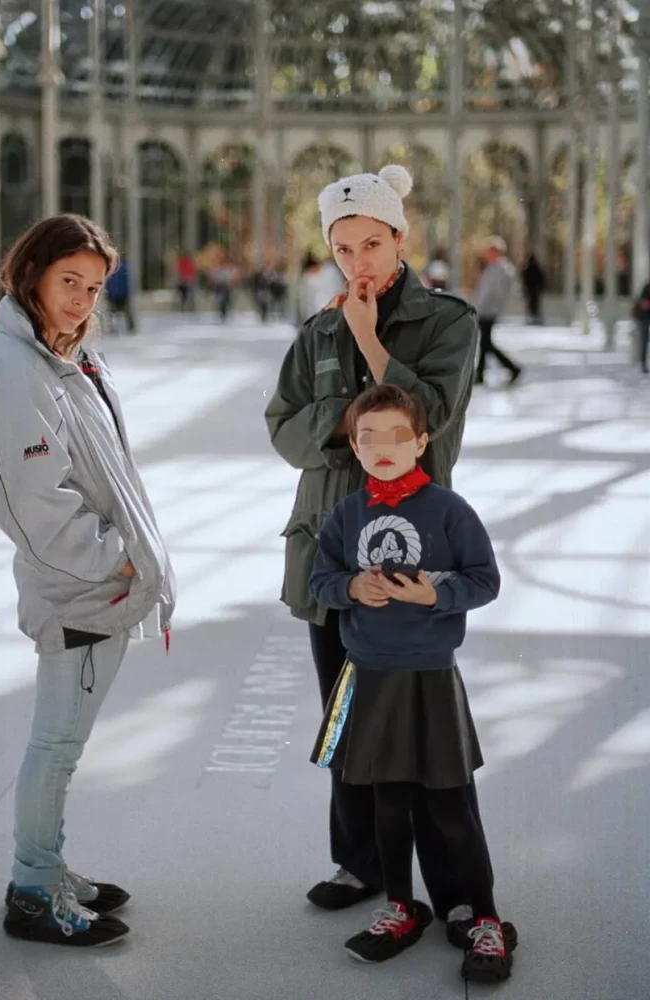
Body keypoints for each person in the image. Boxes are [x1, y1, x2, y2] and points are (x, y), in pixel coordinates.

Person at [264, 163, 493, 945]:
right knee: (345, 715)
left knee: (425, 729)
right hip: (333, 553)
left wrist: (367, 340)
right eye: (342, 246)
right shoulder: (315, 331)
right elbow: (284, 427)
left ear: (401, 239)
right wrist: (345, 420)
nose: (358, 261)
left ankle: (459, 892)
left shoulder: (449, 322)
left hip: (413, 558)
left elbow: (428, 417)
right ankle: (361, 865)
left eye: (372, 242)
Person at [0, 214, 176, 947]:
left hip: (100, 587)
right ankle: (33, 889)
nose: (82, 301)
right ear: (31, 273)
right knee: (55, 747)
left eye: (93, 288)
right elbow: (34, 504)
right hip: (82, 593)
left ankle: (48, 866)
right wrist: (117, 559)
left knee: (64, 746)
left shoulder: (66, 354)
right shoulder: (18, 365)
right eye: (69, 283)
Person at [309, 383, 517, 982]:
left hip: (428, 680)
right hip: (370, 678)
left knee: (449, 805)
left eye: (396, 436)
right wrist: (351, 587)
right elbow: (322, 578)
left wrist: (435, 593)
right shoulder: (347, 515)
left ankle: (484, 915)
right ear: (353, 443)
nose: (381, 448)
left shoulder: (449, 511)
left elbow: (486, 580)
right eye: (367, 437)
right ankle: (402, 905)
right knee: (388, 805)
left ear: (421, 442)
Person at [473, 237, 521, 386]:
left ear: (495, 251)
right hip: (485, 309)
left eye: (488, 251)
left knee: (486, 342)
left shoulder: (501, 269)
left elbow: (497, 292)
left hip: (489, 310)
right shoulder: (493, 267)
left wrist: (485, 306)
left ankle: (512, 367)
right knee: (484, 342)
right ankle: (480, 373)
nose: (485, 254)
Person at [105, 257, 136, 333]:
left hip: (115, 293)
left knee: (113, 312)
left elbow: (109, 282)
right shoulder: (125, 267)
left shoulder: (113, 268)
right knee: (123, 312)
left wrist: (108, 292)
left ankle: (114, 327)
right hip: (122, 293)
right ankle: (130, 327)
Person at [521, 252, 546, 325]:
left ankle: (534, 318)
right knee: (534, 305)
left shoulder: (529, 268)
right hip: (533, 289)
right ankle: (534, 318)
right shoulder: (533, 268)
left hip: (531, 289)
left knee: (533, 304)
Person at [633, 276, 650, 374]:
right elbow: (641, 303)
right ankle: (643, 363)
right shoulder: (645, 289)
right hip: (644, 317)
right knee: (644, 340)